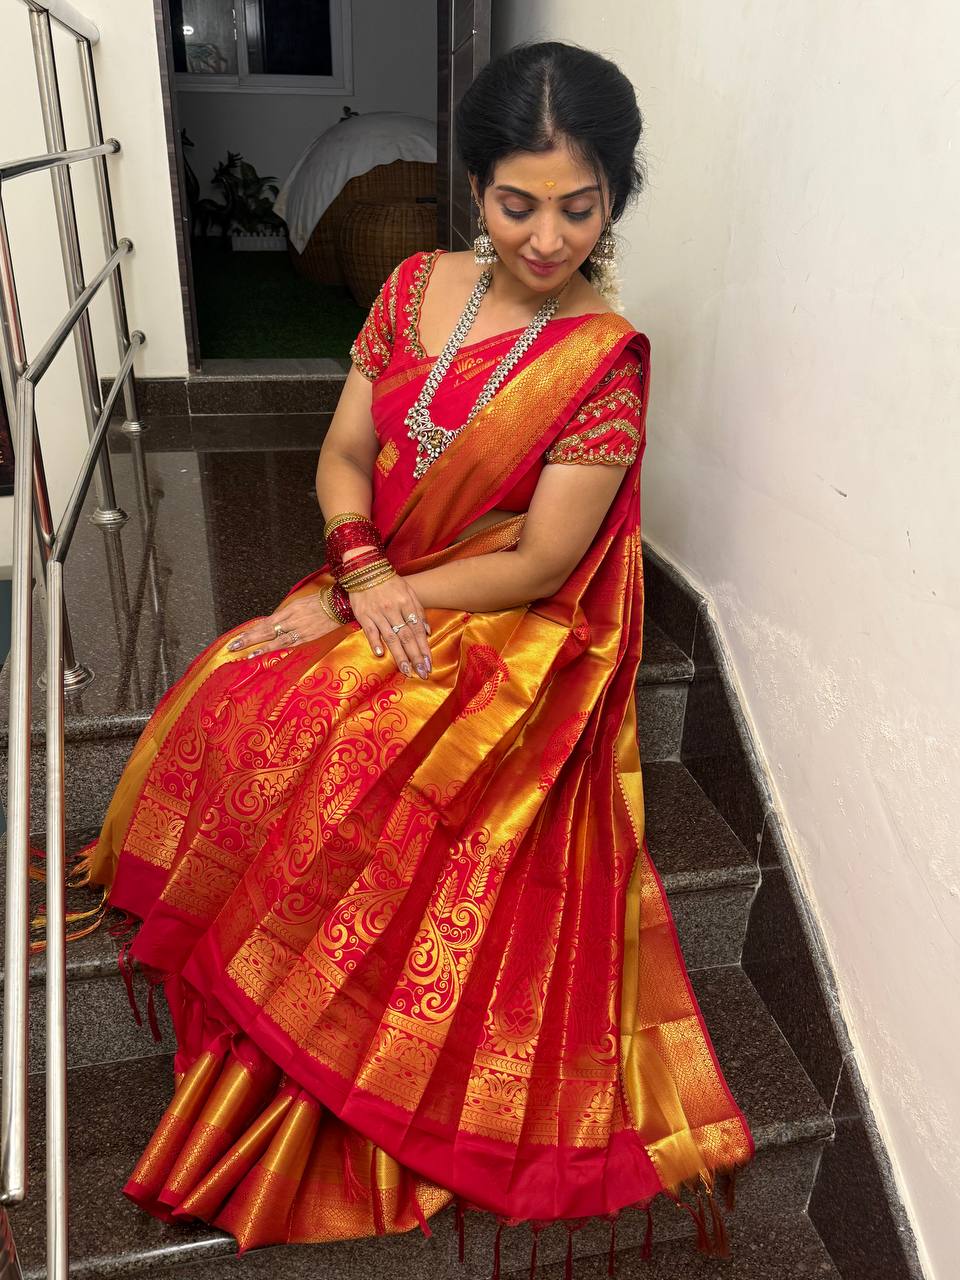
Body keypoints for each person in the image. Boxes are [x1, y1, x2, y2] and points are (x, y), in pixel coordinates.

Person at [67, 39, 755, 1280]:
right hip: (384, 572)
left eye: (580, 207)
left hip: (506, 614)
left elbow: (542, 559)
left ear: (617, 195)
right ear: (474, 188)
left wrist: (376, 599)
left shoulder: (601, 355)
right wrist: (356, 568)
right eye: (517, 203)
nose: (546, 238)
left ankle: (310, 1010)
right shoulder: (410, 286)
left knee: (361, 740)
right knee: (238, 678)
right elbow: (344, 456)